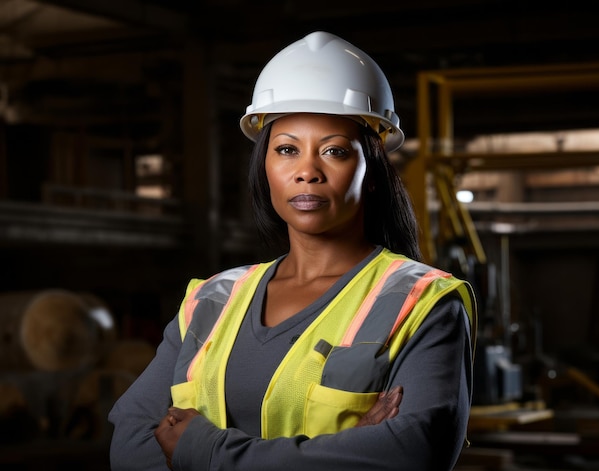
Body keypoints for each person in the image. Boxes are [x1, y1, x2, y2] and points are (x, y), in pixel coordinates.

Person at [108, 31, 477, 471]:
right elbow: (129, 446)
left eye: (334, 151)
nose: (307, 172)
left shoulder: (422, 302)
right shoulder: (212, 300)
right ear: (265, 168)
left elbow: (414, 452)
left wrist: (206, 452)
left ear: (372, 171)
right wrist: (344, 451)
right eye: (286, 150)